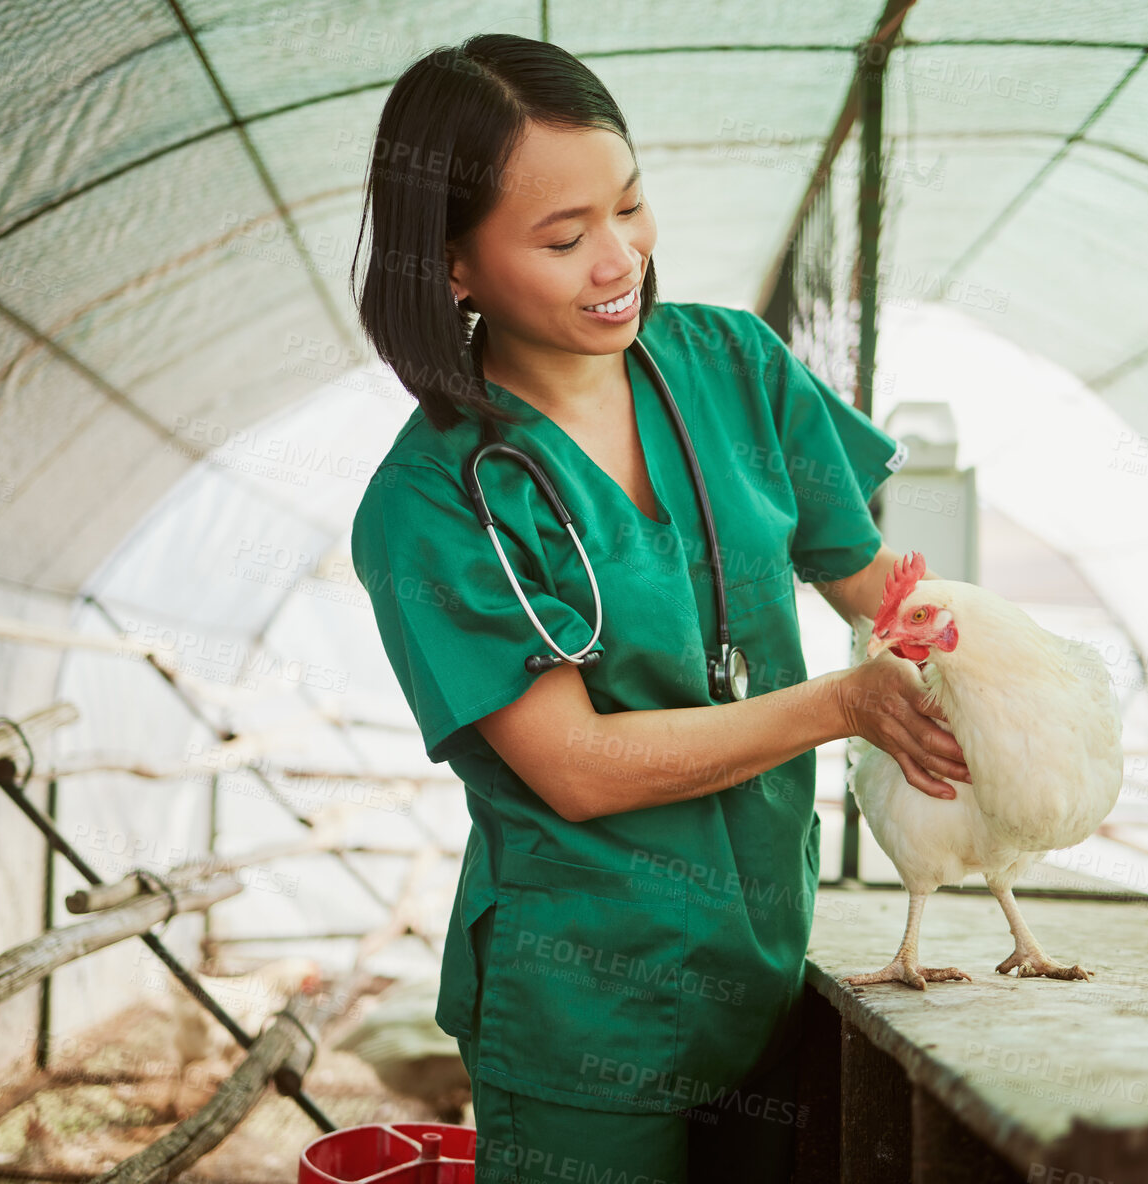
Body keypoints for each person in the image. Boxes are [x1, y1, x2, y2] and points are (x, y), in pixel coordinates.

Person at [346, 33, 970, 1184]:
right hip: (587, 1018)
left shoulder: (731, 362)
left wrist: (967, 649)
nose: (618, 258)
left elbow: (869, 577)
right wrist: (840, 702)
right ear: (452, 268)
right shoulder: (432, 501)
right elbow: (575, 762)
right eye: (563, 236)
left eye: (630, 206)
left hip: (767, 966)